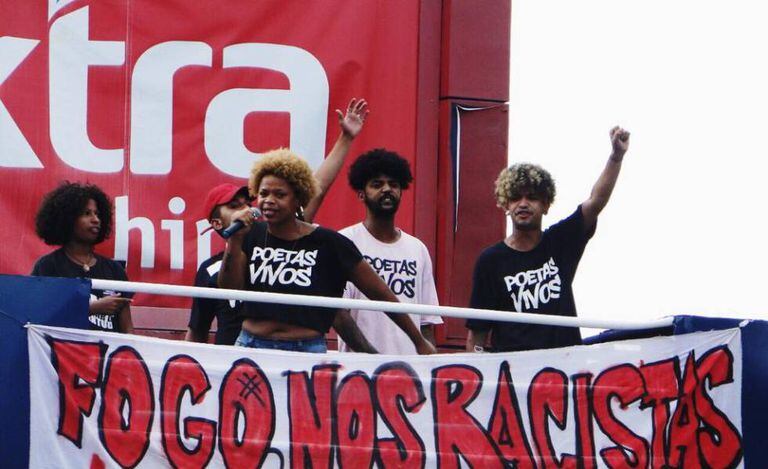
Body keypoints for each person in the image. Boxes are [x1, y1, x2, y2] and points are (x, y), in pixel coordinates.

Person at [185, 98, 376, 347]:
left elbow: (316, 188)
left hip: (293, 351)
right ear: (217, 223)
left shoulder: (282, 234)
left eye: (247, 202)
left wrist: (345, 138)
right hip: (239, 359)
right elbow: (197, 331)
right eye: (233, 206)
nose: (245, 209)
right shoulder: (210, 270)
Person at [217, 149, 436, 354]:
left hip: (305, 351)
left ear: (299, 199)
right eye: (263, 193)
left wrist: (418, 340)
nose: (269, 201)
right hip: (251, 345)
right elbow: (229, 289)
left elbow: (381, 295)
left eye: (280, 195)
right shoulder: (250, 234)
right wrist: (234, 241)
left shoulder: (330, 243)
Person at [466, 126, 630, 352]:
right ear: (506, 205)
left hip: (565, 365)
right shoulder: (490, 261)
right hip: (516, 370)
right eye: (515, 198)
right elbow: (476, 336)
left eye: (532, 198)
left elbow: (595, 202)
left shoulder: (560, 242)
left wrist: (616, 157)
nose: (523, 204)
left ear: (546, 205)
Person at [335, 149, 442, 354]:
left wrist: (428, 362)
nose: (387, 189)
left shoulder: (417, 249)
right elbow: (339, 315)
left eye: (393, 184)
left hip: (410, 367)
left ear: (401, 192)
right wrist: (372, 357)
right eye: (377, 184)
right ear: (361, 194)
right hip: (361, 366)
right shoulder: (344, 241)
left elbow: (426, 321)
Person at [31, 182, 134, 333]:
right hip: (63, 347)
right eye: (87, 213)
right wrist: (90, 309)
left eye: (97, 214)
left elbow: (128, 329)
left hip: (107, 348)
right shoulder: (48, 266)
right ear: (68, 219)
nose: (95, 219)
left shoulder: (114, 270)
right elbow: (40, 318)